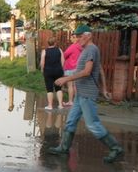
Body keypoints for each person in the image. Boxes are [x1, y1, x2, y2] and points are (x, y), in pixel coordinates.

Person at [49, 25, 123, 163]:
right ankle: (64, 148)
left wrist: (66, 78)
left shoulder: (91, 49)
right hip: (80, 94)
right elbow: (99, 70)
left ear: (88, 35)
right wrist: (105, 89)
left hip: (87, 94)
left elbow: (87, 72)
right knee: (70, 121)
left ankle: (115, 148)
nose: (77, 39)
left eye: (80, 36)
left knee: (92, 124)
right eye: (76, 36)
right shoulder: (87, 50)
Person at [40, 37, 65, 110]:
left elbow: (42, 62)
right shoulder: (59, 50)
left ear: (48, 43)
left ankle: (50, 106)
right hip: (58, 71)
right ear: (55, 43)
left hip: (48, 71)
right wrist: (61, 68)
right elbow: (63, 61)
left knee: (49, 89)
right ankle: (60, 105)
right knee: (59, 88)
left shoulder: (45, 51)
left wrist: (42, 70)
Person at [62, 34, 83, 106]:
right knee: (75, 86)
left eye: (71, 37)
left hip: (70, 68)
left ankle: (70, 101)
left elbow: (64, 55)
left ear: (75, 38)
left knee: (70, 86)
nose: (70, 39)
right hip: (78, 68)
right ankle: (76, 101)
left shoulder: (73, 46)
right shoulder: (81, 47)